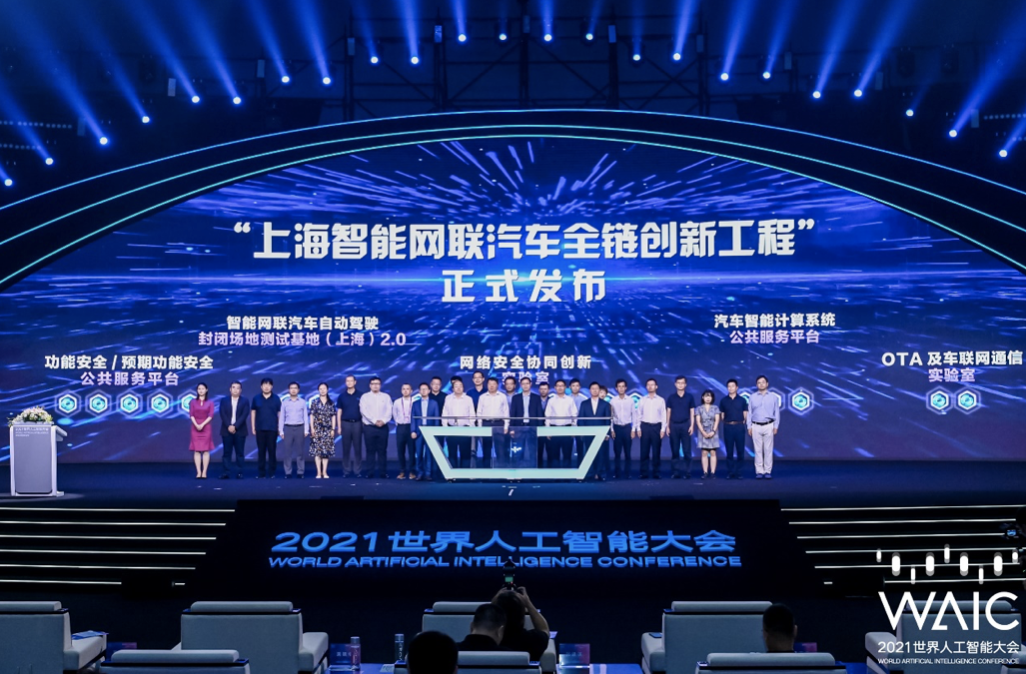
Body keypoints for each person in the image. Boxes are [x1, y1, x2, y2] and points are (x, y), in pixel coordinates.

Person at [492, 587, 550, 661]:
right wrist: (528, 603)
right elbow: (544, 629)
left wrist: (493, 605)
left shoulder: (488, 642)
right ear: (522, 615)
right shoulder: (533, 641)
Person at [747, 375, 781, 479]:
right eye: (759, 382)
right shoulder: (752, 397)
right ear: (756, 385)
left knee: (768, 449)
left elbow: (777, 413)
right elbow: (749, 412)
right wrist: (749, 426)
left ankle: (767, 471)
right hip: (755, 425)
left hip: (769, 425)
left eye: (763, 382)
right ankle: (759, 471)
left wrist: (776, 426)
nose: (761, 384)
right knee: (757, 450)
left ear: (767, 384)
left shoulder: (773, 397)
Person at [576, 382, 612, 481]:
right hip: (588, 433)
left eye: (597, 388)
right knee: (588, 454)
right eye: (593, 388)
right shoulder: (584, 403)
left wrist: (607, 433)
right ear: (590, 390)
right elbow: (581, 419)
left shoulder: (605, 404)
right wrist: (582, 432)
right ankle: (590, 473)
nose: (595, 390)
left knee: (601, 454)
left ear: (599, 390)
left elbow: (607, 420)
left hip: (601, 433)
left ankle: (600, 473)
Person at [360, 376, 393, 479]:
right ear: (370, 385)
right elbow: (364, 411)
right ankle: (370, 472)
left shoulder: (386, 397)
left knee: (382, 451)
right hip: (369, 427)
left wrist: (383, 421)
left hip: (383, 427)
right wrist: (374, 421)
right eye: (373, 384)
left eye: (377, 384)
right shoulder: (365, 397)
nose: (375, 386)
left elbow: (389, 410)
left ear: (380, 385)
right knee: (370, 450)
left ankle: (383, 473)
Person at [442, 376, 476, 468]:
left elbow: (472, 414)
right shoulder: (448, 398)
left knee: (465, 454)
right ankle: (452, 474)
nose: (458, 388)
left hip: (465, 429)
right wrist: (445, 428)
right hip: (451, 429)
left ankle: (464, 474)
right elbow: (445, 413)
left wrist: (471, 428)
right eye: (456, 386)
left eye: (460, 386)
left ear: (463, 387)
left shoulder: (468, 399)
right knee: (452, 453)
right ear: (453, 388)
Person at [666, 375, 696, 479]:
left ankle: (688, 472)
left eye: (682, 383)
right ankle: (676, 472)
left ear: (685, 384)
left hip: (685, 424)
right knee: (675, 450)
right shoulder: (671, 397)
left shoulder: (689, 397)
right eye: (678, 383)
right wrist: (667, 426)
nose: (680, 385)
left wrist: (692, 425)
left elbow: (692, 411)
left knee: (687, 450)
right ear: (675, 384)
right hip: (673, 425)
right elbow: (668, 412)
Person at [250, 378, 281, 478]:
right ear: (261, 386)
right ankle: (261, 473)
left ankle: (272, 473)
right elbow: (253, 412)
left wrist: (279, 428)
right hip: (260, 428)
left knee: (272, 451)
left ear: (272, 386)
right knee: (261, 451)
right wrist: (253, 426)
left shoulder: (276, 398)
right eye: (264, 385)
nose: (266, 387)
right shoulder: (256, 398)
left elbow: (279, 414)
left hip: (273, 429)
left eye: (268, 385)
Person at [218, 381, 249, 480]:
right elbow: (222, 413)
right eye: (233, 387)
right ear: (230, 389)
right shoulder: (224, 400)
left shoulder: (245, 401)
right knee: (227, 453)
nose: (235, 390)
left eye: (238, 388)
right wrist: (229, 426)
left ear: (241, 390)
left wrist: (235, 426)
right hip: (226, 430)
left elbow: (244, 415)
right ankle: (226, 472)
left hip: (240, 430)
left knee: (240, 453)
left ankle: (239, 472)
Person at [510, 376, 543, 467]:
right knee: (518, 452)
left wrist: (540, 429)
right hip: (519, 427)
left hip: (532, 427)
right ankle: (518, 472)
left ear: (530, 384)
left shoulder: (536, 398)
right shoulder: (516, 398)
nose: (525, 386)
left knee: (533, 451)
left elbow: (539, 414)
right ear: (521, 385)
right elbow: (513, 414)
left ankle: (533, 472)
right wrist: (512, 428)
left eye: (527, 383)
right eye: (523, 384)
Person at [544, 379, 578, 468]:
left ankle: (567, 473)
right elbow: (547, 416)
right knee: (554, 454)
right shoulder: (551, 400)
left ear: (565, 387)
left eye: (562, 386)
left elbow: (574, 415)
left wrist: (573, 429)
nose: (560, 388)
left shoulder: (570, 400)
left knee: (567, 454)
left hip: (567, 428)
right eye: (558, 386)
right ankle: (556, 474)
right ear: (555, 387)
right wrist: (547, 431)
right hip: (554, 429)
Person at [719, 378, 749, 479]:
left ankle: (739, 472)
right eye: (729, 386)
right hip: (728, 427)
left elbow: (745, 414)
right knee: (729, 451)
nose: (731, 388)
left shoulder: (742, 400)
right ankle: (730, 472)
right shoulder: (723, 400)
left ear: (737, 387)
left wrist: (743, 422)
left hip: (739, 426)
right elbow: (722, 415)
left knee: (740, 451)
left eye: (733, 386)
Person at [477, 377, 510, 468]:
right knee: (486, 450)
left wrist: (506, 426)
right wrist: (480, 427)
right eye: (489, 384)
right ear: (487, 385)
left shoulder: (502, 396)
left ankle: (501, 472)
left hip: (499, 424)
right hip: (486, 424)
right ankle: (486, 472)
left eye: (493, 384)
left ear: (497, 385)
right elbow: (479, 413)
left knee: (500, 450)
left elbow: (506, 412)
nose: (491, 386)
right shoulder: (482, 397)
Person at [279, 382, 309, 479]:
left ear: (298, 390)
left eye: (295, 388)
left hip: (300, 427)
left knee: (300, 452)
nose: (293, 390)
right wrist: (281, 430)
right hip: (288, 427)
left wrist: (306, 430)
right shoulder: (285, 402)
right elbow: (282, 417)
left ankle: (300, 472)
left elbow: (305, 416)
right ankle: (288, 472)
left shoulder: (302, 402)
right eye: (291, 388)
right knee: (287, 452)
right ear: (288, 390)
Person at [637, 378, 667, 479]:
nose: (650, 386)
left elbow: (663, 415)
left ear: (656, 386)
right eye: (648, 385)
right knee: (644, 451)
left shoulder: (660, 400)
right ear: (646, 387)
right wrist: (638, 428)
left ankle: (656, 472)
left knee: (656, 451)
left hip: (656, 427)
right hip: (645, 426)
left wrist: (663, 429)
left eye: (652, 385)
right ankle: (644, 472)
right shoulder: (642, 400)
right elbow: (638, 414)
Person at [411, 383, 441, 481]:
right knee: (419, 453)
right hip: (418, 431)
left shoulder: (434, 403)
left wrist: (436, 431)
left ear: (429, 391)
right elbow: (413, 418)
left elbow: (436, 418)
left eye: (425, 389)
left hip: (430, 431)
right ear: (419, 391)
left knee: (429, 454)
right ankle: (419, 473)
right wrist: (413, 431)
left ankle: (428, 473)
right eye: (421, 389)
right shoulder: (415, 403)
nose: (423, 391)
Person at [609, 379, 637, 479]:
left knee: (627, 453)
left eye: (623, 386)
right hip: (617, 428)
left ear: (626, 388)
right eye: (619, 386)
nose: (621, 388)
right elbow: (611, 416)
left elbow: (634, 415)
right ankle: (617, 473)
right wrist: (612, 429)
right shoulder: (613, 401)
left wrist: (633, 429)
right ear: (616, 388)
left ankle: (627, 473)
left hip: (627, 428)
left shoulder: (630, 400)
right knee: (617, 453)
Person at [337, 375, 363, 478]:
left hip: (357, 423)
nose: (349, 382)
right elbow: (339, 412)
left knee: (358, 448)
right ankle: (346, 471)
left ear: (355, 382)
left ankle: (357, 471)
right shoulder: (342, 396)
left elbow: (364, 411)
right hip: (345, 423)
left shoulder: (361, 395)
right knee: (346, 448)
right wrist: (339, 427)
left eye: (351, 381)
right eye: (347, 381)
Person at [309, 382, 337, 479]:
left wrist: (333, 429)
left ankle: (324, 472)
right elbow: (312, 416)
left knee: (326, 452)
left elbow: (333, 416)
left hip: (327, 429)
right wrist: (312, 428)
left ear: (327, 390)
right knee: (317, 452)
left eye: (324, 388)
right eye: (320, 389)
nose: (322, 390)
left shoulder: (331, 403)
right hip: (317, 429)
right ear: (318, 390)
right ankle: (318, 472)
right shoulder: (314, 402)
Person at [189, 382, 215, 479]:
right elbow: (191, 414)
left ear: (206, 390)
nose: (201, 390)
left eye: (203, 388)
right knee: (197, 450)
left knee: (205, 450)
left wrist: (202, 424)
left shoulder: (210, 402)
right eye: (199, 389)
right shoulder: (192, 402)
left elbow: (211, 415)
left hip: (206, 427)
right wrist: (196, 424)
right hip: (195, 427)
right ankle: (198, 472)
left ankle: (204, 472)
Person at [393, 383, 416, 479]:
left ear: (411, 391)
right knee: (400, 450)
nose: (405, 391)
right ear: (401, 391)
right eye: (403, 389)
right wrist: (398, 423)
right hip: (401, 427)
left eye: (407, 389)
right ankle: (402, 471)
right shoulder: (397, 402)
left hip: (411, 426)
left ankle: (412, 471)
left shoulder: (415, 401)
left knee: (412, 451)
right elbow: (394, 414)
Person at [696, 390, 720, 479]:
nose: (708, 398)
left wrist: (713, 431)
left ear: (712, 398)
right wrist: (703, 432)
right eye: (706, 396)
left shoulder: (715, 408)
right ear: (703, 397)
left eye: (710, 396)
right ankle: (705, 472)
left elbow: (717, 420)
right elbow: (698, 421)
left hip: (713, 431)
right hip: (703, 431)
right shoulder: (699, 408)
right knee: (704, 452)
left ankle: (713, 472)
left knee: (713, 452)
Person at [568, 378, 589, 466]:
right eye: (573, 386)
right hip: (568, 427)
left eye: (577, 386)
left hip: (581, 427)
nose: (575, 388)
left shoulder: (584, 399)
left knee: (581, 449)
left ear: (580, 387)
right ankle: (567, 469)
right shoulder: (566, 399)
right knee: (567, 450)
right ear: (570, 387)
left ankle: (581, 468)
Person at [536, 381, 552, 468]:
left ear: (548, 390)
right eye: (541, 389)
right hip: (538, 429)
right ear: (539, 390)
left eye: (545, 389)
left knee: (551, 451)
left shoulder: (552, 400)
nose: (543, 391)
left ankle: (550, 471)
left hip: (549, 429)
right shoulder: (535, 400)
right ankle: (539, 471)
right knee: (538, 452)